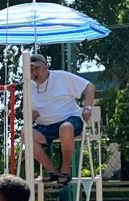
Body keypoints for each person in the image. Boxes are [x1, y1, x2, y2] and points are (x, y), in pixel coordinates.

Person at [26, 54, 95, 187]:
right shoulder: (28, 86)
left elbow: (89, 86)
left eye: (37, 68)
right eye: (31, 69)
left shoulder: (61, 76)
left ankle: (65, 169)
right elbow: (29, 113)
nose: (34, 72)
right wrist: (31, 115)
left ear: (46, 66)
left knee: (65, 128)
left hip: (70, 119)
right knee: (26, 135)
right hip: (45, 124)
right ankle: (52, 171)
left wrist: (87, 108)